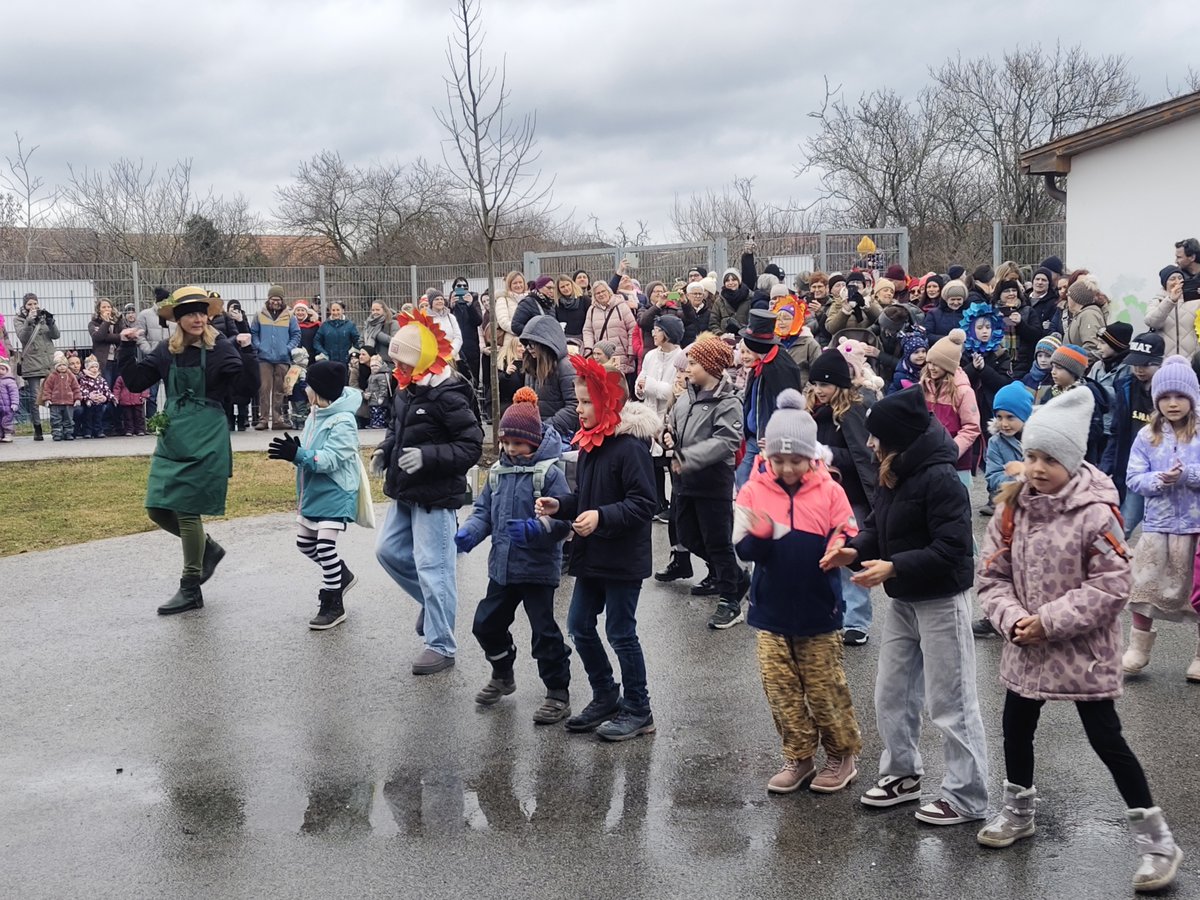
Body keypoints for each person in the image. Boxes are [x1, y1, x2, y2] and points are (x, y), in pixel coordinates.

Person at [975, 387, 1184, 894]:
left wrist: (1048, 621)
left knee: (1107, 739)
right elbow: (991, 576)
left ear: (1072, 460)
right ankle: (1018, 810)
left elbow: (1112, 587)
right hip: (1026, 646)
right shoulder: (1012, 507)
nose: (1038, 468)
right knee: (1015, 727)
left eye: (1050, 459)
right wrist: (1012, 620)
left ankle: (1158, 842)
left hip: (1082, 651)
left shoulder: (1097, 513)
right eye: (1032, 456)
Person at [821, 386, 989, 826]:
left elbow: (953, 549)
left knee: (951, 701)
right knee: (892, 693)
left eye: (876, 436)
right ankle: (902, 774)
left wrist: (894, 566)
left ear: (898, 437)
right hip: (904, 599)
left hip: (941, 600)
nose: (869, 443)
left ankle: (967, 796)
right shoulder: (893, 468)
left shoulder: (941, 478)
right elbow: (877, 525)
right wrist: (854, 551)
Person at [736, 390, 863, 794]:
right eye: (779, 460)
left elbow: (848, 529)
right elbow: (742, 548)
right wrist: (758, 534)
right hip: (770, 608)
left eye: (796, 460)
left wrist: (839, 545)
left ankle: (841, 754)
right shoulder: (754, 490)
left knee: (824, 687)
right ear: (767, 456)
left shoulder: (829, 490)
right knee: (781, 690)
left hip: (818, 607)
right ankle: (799, 755)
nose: (787, 468)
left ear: (812, 456)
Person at [535, 354, 658, 741]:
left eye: (587, 402)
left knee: (620, 632)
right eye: (578, 401)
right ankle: (605, 694)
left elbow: (644, 503)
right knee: (579, 625)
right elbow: (586, 497)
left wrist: (602, 517)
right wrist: (561, 506)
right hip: (592, 555)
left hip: (622, 558)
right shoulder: (590, 443)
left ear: (608, 402)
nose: (579, 409)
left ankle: (639, 708)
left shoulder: (630, 448)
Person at [117, 287, 258, 614]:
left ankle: (190, 587)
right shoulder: (167, 350)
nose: (198, 318)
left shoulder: (220, 348)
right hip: (174, 436)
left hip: (206, 436)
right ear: (177, 319)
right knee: (157, 508)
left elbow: (245, 391)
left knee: (186, 508)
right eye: (190, 313)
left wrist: (249, 353)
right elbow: (136, 382)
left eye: (202, 312)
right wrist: (126, 347)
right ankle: (208, 549)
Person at [373, 309, 484, 675]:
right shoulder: (406, 387)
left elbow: (471, 446)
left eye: (403, 363)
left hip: (436, 495)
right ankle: (434, 605)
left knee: (434, 568)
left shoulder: (448, 394)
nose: (397, 369)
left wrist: (428, 456)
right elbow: (397, 427)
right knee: (388, 551)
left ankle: (441, 645)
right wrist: (385, 450)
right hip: (405, 489)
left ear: (421, 361)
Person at [455, 392, 574, 724]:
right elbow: (484, 511)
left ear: (533, 441)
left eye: (518, 443)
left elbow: (564, 521)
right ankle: (502, 673)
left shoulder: (549, 474)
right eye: (506, 442)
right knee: (485, 624)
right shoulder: (498, 472)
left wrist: (537, 529)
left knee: (543, 634)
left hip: (537, 570)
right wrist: (471, 532)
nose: (510, 449)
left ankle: (557, 692)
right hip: (503, 568)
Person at [267, 360, 364, 630]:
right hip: (313, 489)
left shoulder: (344, 421)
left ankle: (333, 603)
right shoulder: (315, 413)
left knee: (324, 546)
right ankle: (341, 575)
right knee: (305, 544)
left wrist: (300, 455)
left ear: (320, 391)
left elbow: (331, 459)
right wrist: (295, 452)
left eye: (308, 386)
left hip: (336, 490)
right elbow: (311, 450)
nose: (305, 389)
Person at [1123, 355, 1200, 683]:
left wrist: (1187, 475)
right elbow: (1133, 477)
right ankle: (1138, 649)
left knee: (1197, 591)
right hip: (1158, 527)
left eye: (1180, 396)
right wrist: (1158, 479)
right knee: (1143, 587)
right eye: (1165, 397)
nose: (1173, 403)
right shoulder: (1146, 436)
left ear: (1192, 398)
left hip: (1195, 528)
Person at [659, 337, 745, 626]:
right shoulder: (686, 397)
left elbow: (727, 441)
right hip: (684, 481)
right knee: (687, 535)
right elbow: (672, 424)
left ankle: (730, 600)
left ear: (711, 366)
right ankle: (735, 575)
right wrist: (667, 435)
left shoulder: (728, 401)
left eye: (694, 363)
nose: (688, 368)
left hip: (712, 481)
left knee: (718, 542)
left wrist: (688, 457)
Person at [806, 349, 878, 645]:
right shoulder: (814, 410)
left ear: (839, 383)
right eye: (815, 384)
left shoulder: (854, 411)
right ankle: (832, 611)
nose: (818, 390)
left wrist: (827, 454)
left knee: (852, 555)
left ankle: (857, 621)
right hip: (820, 495)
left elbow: (864, 456)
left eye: (824, 384)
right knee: (821, 554)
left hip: (852, 496)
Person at [736, 309, 804, 490]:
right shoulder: (760, 363)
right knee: (743, 481)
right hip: (754, 437)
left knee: (764, 487)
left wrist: (777, 436)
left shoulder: (780, 366)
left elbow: (790, 409)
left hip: (770, 440)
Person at [1105, 333, 1164, 536]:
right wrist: (1107, 466)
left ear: (1159, 362)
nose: (1138, 369)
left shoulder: (1169, 392)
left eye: (1145, 364)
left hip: (1162, 470)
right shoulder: (1126, 387)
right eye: (1135, 364)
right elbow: (1116, 432)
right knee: (1125, 524)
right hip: (1134, 468)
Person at [637, 314, 687, 519]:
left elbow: (673, 390)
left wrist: (648, 385)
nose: (653, 333)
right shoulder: (650, 355)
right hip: (650, 415)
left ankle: (674, 507)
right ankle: (659, 503)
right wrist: (641, 388)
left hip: (669, 417)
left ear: (668, 333)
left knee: (670, 462)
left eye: (657, 330)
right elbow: (641, 379)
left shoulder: (681, 357)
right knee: (654, 463)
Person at [920, 329, 981, 488]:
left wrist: (952, 450)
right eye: (930, 363)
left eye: (937, 364)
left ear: (948, 366)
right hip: (928, 457)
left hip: (956, 461)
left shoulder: (964, 391)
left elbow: (972, 427)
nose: (931, 368)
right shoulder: (923, 386)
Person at [1036, 344, 1108, 465]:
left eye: (1059, 368)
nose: (1053, 372)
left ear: (1073, 371)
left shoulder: (1086, 395)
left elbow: (1095, 430)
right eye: (1053, 367)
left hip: (1080, 459)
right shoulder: (1050, 393)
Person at [519, 314, 579, 438]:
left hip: (559, 437)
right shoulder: (531, 366)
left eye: (533, 343)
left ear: (547, 343)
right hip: (538, 434)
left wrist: (546, 427)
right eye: (527, 344)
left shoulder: (565, 367)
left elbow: (574, 406)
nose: (529, 348)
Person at [251, 286, 301, 430]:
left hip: (282, 358)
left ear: (282, 300)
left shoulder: (290, 316)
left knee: (280, 391)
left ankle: (277, 420)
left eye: (278, 299)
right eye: (273, 299)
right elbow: (253, 333)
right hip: (264, 358)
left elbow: (296, 334)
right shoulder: (259, 315)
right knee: (264, 389)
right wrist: (259, 346)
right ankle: (263, 419)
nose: (276, 302)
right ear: (268, 299)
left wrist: (288, 348)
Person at [14, 292, 59, 441]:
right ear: (25, 306)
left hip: (48, 361)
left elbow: (55, 335)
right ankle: (37, 428)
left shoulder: (43, 316)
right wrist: (28, 321)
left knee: (54, 395)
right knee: (35, 398)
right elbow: (23, 337)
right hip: (32, 362)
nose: (33, 306)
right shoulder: (19, 319)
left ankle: (56, 426)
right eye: (29, 304)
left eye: (35, 303)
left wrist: (51, 322)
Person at [582, 280, 638, 393]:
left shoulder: (622, 307)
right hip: (601, 356)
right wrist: (589, 349)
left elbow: (633, 329)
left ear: (609, 292)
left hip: (621, 354)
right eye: (597, 293)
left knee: (621, 389)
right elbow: (587, 330)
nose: (601, 294)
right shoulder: (591, 310)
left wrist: (631, 350)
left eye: (603, 291)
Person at [1142, 266, 1198, 359]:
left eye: (1180, 278)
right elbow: (1152, 322)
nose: (1177, 281)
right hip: (1164, 360)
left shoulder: (1194, 301)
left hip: (1191, 360)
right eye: (1172, 279)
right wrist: (1170, 301)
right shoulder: (1157, 301)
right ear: (1165, 284)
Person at [38, 352, 81, 441]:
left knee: (68, 419)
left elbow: (76, 388)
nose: (62, 367)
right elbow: (47, 388)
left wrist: (77, 398)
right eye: (59, 365)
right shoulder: (52, 376)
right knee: (55, 419)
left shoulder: (71, 376)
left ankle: (68, 433)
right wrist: (47, 399)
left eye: (64, 365)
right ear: (55, 366)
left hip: (68, 402)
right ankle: (57, 434)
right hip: (55, 402)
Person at [1063, 276, 1107, 358]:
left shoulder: (1088, 315)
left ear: (1076, 299)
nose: (1066, 298)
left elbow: (1092, 347)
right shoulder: (1082, 314)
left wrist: (1077, 362)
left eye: (1068, 295)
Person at [449, 280, 483, 382]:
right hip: (456, 346)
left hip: (471, 346)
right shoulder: (449, 303)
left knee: (473, 377)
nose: (462, 288)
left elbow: (478, 321)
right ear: (454, 288)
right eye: (459, 286)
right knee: (456, 377)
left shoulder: (474, 301)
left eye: (465, 286)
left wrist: (470, 305)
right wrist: (451, 307)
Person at [77, 356, 115, 438]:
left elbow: (106, 389)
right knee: (88, 418)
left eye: (96, 367)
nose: (94, 369)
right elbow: (83, 389)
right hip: (89, 403)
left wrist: (111, 397)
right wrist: (88, 398)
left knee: (98, 417)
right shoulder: (84, 379)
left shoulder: (101, 379)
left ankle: (98, 431)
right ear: (87, 368)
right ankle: (88, 432)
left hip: (99, 402)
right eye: (92, 367)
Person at [314, 301, 361, 366]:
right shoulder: (324, 325)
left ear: (343, 310)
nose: (335, 312)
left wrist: (352, 353)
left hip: (346, 362)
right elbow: (316, 341)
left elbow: (357, 340)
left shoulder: (350, 325)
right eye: (333, 310)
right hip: (328, 361)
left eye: (338, 310)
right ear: (330, 311)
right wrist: (323, 353)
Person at [888, 328, 927, 395]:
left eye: (923, 351)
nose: (921, 355)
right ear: (908, 355)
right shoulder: (902, 375)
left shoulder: (928, 368)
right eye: (916, 352)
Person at [554, 274, 589, 344]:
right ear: (558, 289)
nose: (566, 288)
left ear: (572, 284)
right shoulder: (557, 305)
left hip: (583, 339)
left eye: (567, 285)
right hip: (564, 340)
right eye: (562, 287)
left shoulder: (585, 300)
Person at [284, 346, 310, 429]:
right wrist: (307, 392)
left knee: (294, 409)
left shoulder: (292, 369)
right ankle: (301, 423)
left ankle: (294, 423)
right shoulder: (301, 370)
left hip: (292, 394)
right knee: (301, 409)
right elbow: (303, 383)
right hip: (300, 395)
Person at [365, 355, 392, 428]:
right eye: (372, 366)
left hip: (378, 399)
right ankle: (373, 423)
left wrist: (382, 397)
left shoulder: (381, 376)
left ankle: (379, 423)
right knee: (373, 412)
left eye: (376, 365)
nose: (374, 367)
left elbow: (384, 388)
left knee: (379, 412)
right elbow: (369, 387)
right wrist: (366, 393)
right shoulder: (371, 376)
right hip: (372, 398)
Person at [292, 299, 321, 364]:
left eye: (302, 310)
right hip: (294, 358)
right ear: (294, 312)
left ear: (307, 312)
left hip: (312, 357)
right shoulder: (290, 325)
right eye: (298, 310)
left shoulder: (315, 325)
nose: (300, 312)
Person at [0, 360, 19, 442]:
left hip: (8, 407)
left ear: (7, 370)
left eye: (2, 369)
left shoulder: (10, 381)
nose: (0, 371)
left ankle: (8, 434)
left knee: (7, 421)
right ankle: (1, 435)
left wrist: (14, 403)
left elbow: (14, 393)